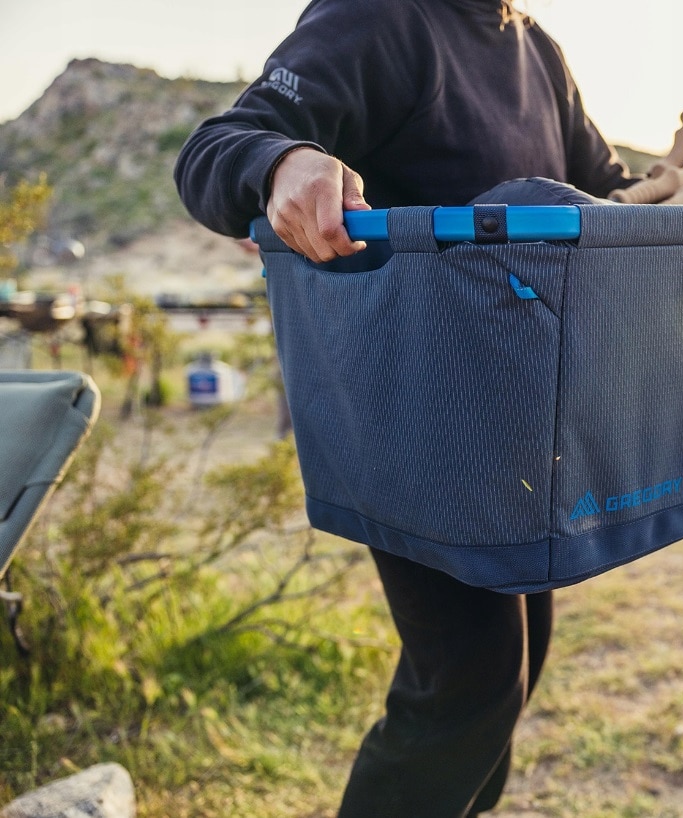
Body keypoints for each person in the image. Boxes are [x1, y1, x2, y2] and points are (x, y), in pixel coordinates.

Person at [174, 1, 636, 815]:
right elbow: (217, 145)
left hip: (523, 420)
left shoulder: (537, 50)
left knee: (514, 669)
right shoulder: (383, 17)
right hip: (415, 421)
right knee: (467, 680)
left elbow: (602, 193)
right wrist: (285, 163)